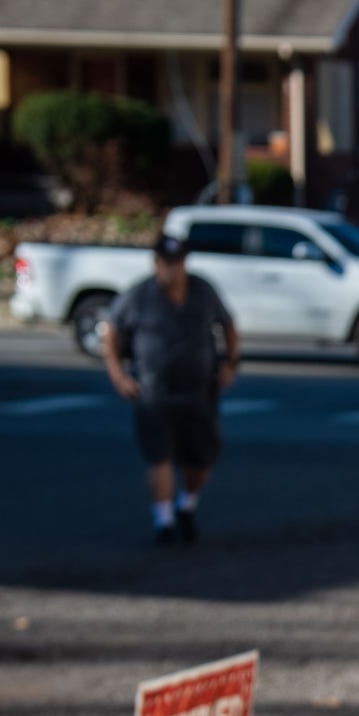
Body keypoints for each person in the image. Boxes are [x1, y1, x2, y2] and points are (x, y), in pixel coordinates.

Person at [103, 234, 237, 545]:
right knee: (159, 457)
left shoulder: (202, 291)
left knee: (202, 458)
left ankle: (186, 506)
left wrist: (231, 363)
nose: (171, 271)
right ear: (156, 263)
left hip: (199, 391)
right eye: (165, 264)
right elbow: (111, 333)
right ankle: (163, 521)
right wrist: (119, 376)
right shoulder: (140, 295)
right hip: (154, 392)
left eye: (176, 264)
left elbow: (228, 325)